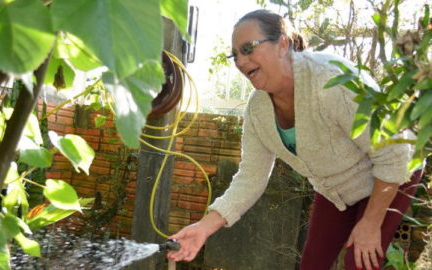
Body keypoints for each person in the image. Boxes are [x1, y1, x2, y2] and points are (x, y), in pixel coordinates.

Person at [167, 9, 422, 270]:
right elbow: (251, 177)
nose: (241, 62)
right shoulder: (258, 110)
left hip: (392, 174)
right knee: (312, 265)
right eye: (236, 55)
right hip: (336, 191)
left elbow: (395, 153)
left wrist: (370, 223)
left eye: (249, 48)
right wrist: (204, 228)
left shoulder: (330, 80)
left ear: (283, 44)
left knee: (360, 261)